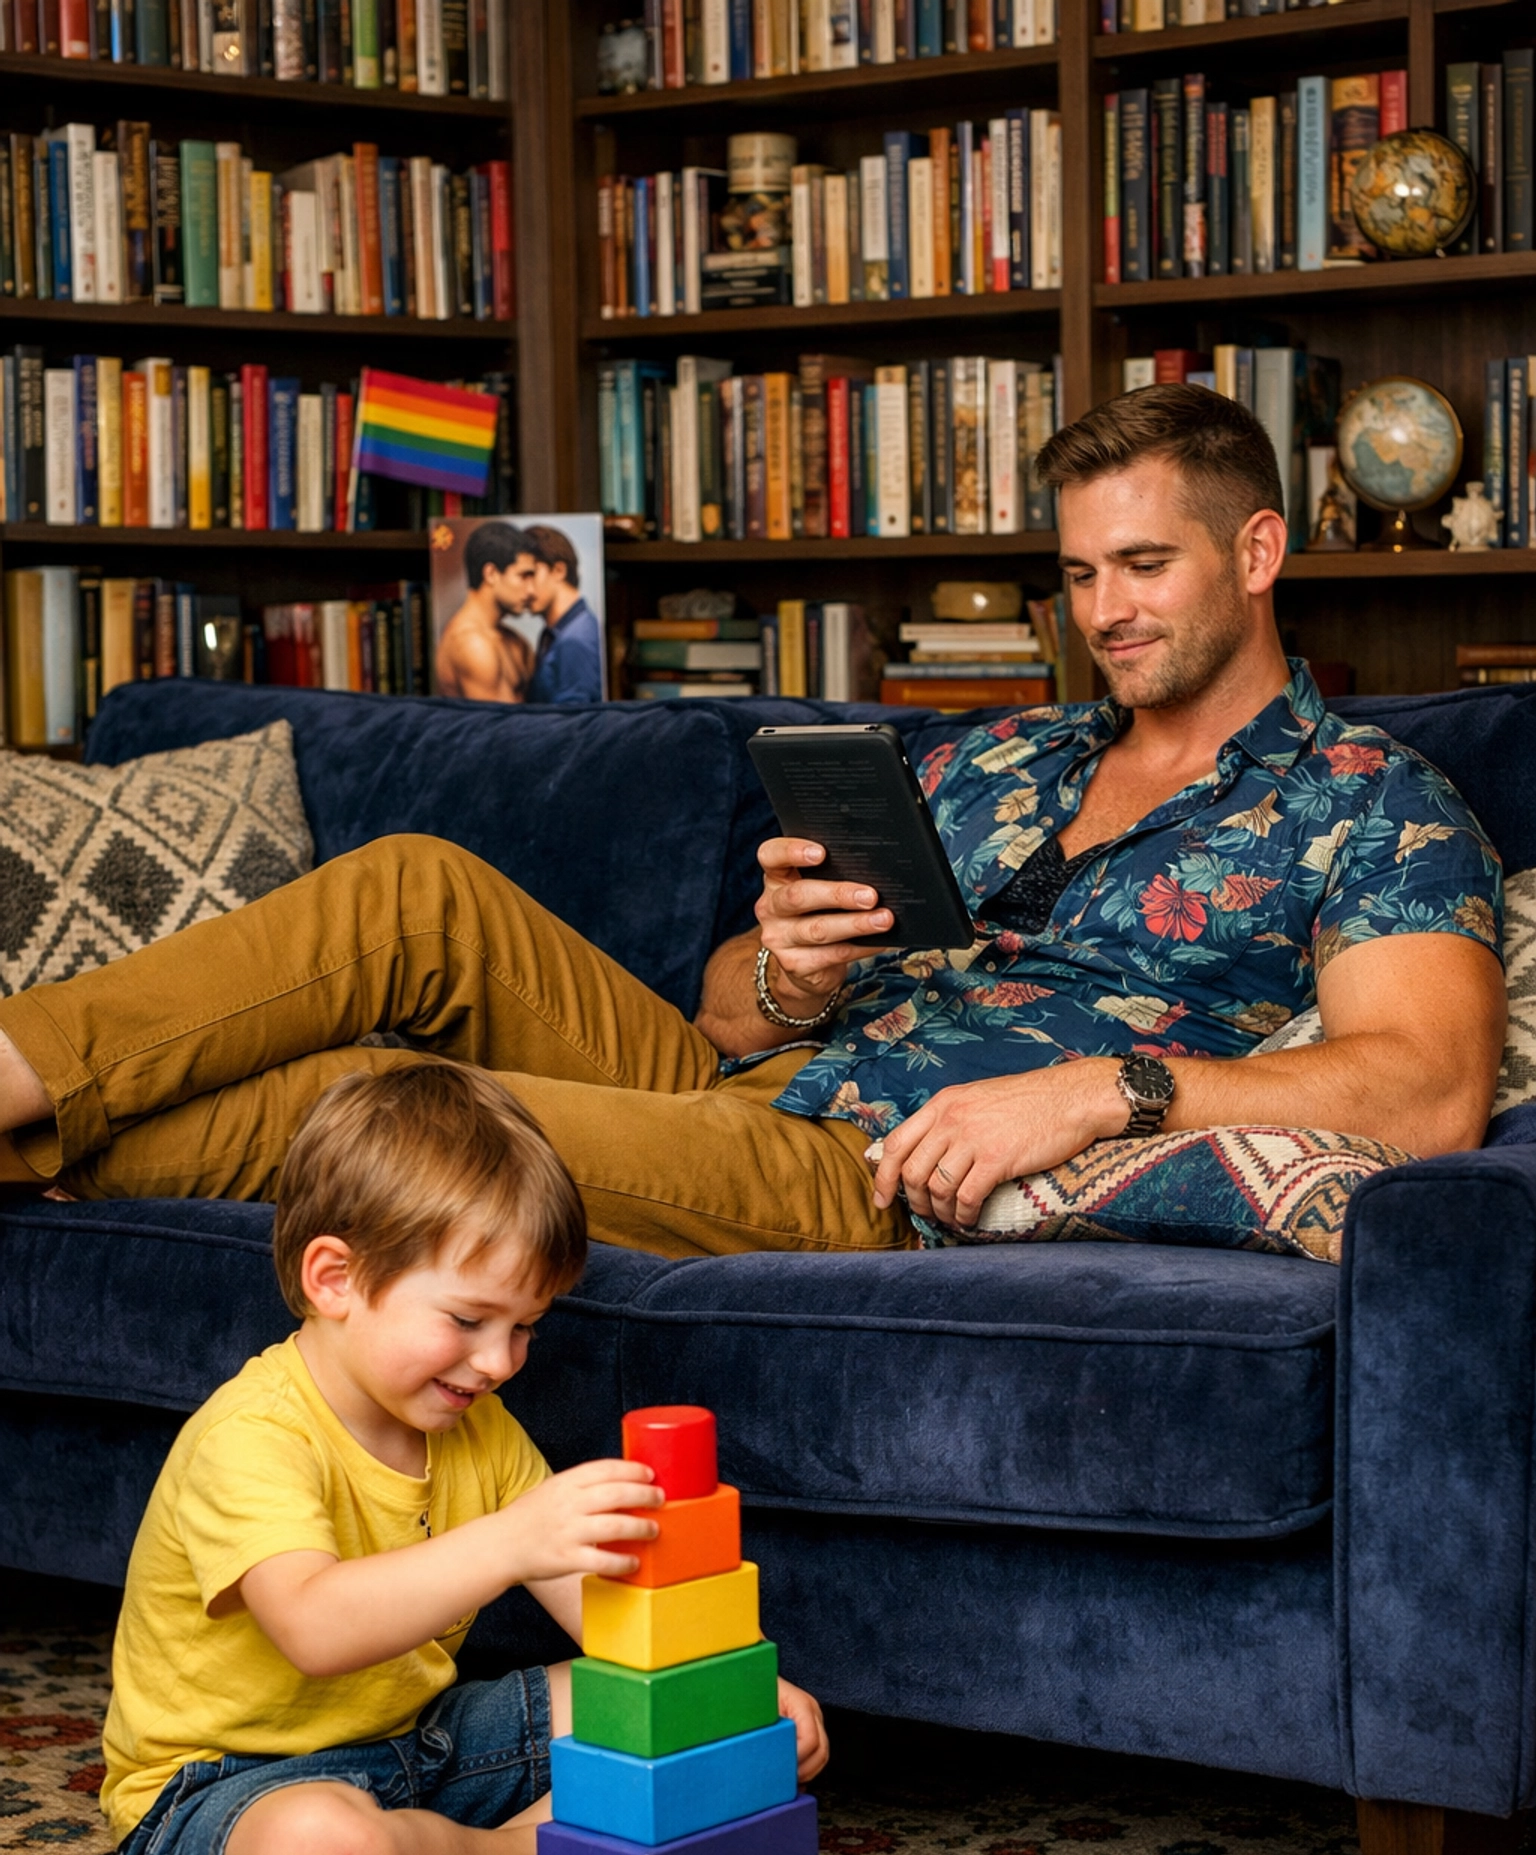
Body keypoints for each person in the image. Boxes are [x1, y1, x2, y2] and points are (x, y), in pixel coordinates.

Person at [0, 385, 1506, 1254]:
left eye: (1145, 566)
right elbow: (724, 1017)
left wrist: (1111, 1091)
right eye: (1080, 574)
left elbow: (1429, 1092)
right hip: (758, 1079)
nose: (1104, 612)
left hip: (859, 1171)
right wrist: (790, 966)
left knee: (392, 1103)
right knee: (409, 889)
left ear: (1257, 550)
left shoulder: (1370, 800)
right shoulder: (994, 756)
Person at [100, 1061, 829, 1855]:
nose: (499, 1364)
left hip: (423, 1745)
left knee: (652, 1716)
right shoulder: (253, 1437)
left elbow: (609, 1624)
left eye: (526, 1327)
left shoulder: (475, 1431)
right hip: (225, 1786)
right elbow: (315, 1627)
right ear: (336, 1278)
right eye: (467, 1320)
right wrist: (513, 1540)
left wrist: (728, 1694)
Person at [433, 520, 537, 702]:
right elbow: (498, 728)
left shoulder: (514, 640)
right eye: (523, 576)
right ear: (491, 574)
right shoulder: (471, 644)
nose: (531, 590)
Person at [521, 525, 605, 704]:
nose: (524, 588)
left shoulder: (574, 639)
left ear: (559, 571)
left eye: (530, 575)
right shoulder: (562, 631)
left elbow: (572, 723)